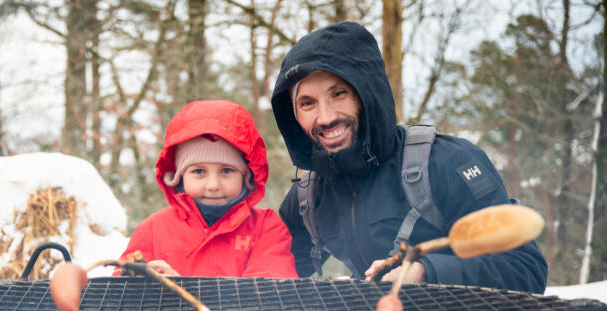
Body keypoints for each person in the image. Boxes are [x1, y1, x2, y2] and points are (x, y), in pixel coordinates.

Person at [271, 22, 547, 292]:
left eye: (339, 93)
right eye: (307, 103)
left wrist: (425, 272)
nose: (326, 117)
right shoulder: (308, 197)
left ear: (367, 94)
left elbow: (524, 269)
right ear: (293, 116)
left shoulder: (446, 163)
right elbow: (274, 270)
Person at [115, 99, 298, 278]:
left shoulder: (265, 227)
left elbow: (270, 296)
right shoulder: (153, 230)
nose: (213, 185)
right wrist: (138, 283)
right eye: (199, 171)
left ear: (247, 177)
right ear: (178, 177)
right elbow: (120, 294)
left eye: (227, 171)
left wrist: (179, 289)